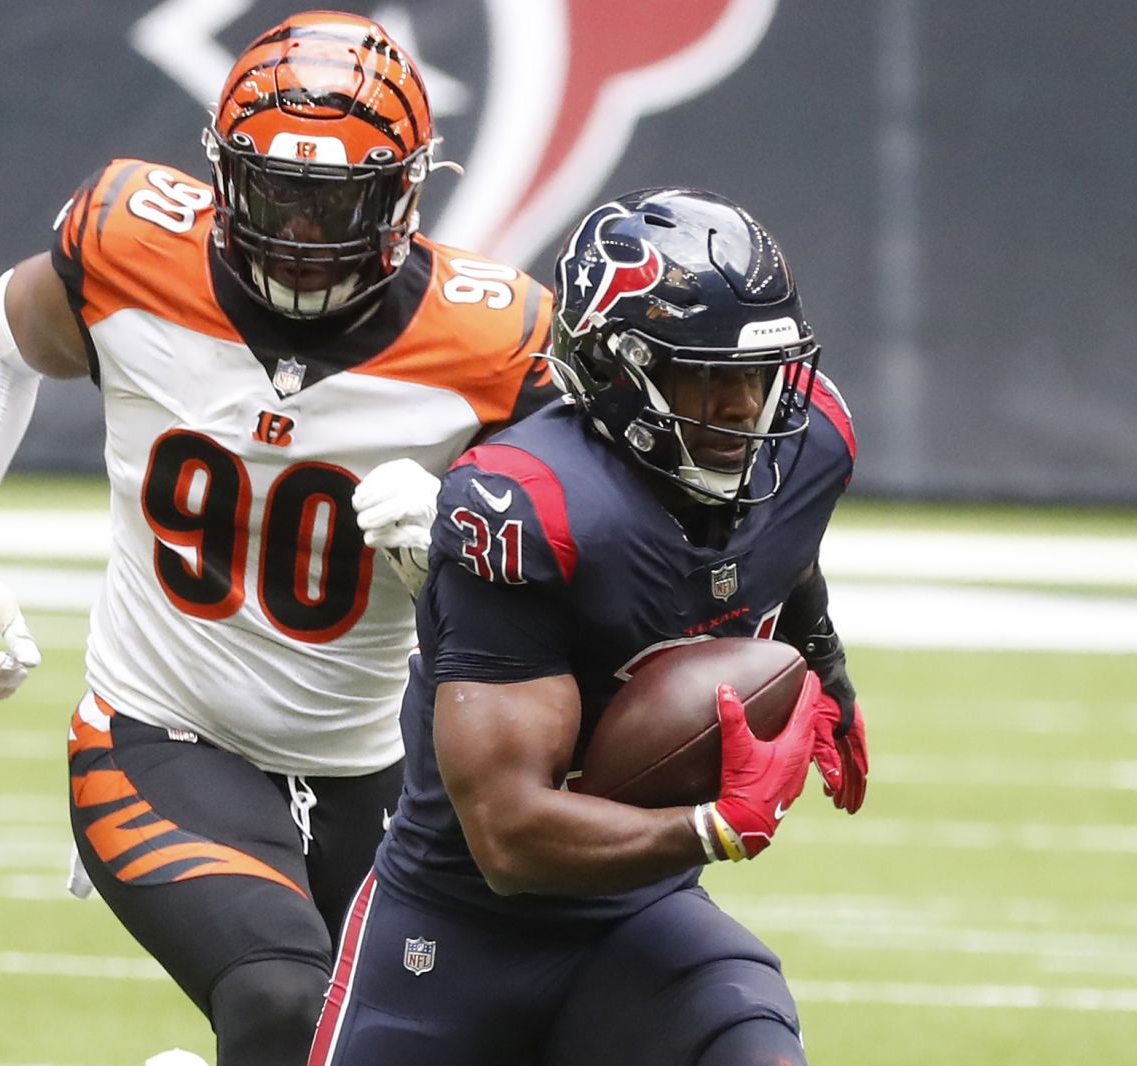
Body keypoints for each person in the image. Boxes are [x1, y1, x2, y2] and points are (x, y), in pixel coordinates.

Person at [0, 13, 558, 1065]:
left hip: (378, 767)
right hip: (159, 733)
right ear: (220, 177)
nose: (299, 231)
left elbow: (570, 538)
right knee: (278, 1005)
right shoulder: (130, 251)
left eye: (333, 200)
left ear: (405, 193)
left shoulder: (486, 340)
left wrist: (468, 535)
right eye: (275, 193)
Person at [307, 188, 872, 1066]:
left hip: (640, 914)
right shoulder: (530, 506)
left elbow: (785, 551)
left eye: (759, 377)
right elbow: (506, 837)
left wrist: (823, 661)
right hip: (457, 932)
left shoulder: (808, 442)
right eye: (705, 377)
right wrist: (713, 829)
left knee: (755, 1044)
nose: (743, 412)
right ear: (614, 369)